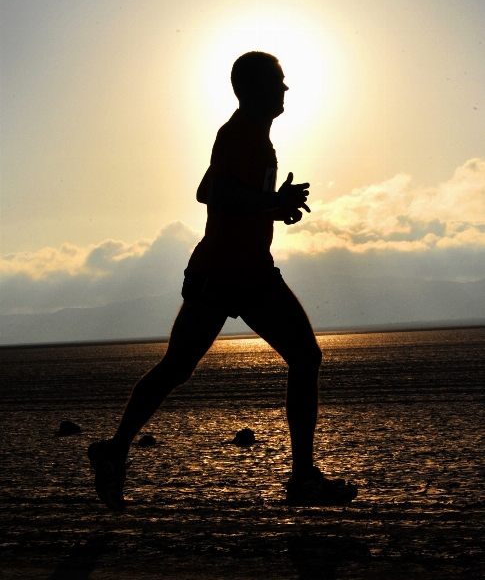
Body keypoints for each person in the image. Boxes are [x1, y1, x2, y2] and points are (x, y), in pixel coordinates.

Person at [88, 51, 358, 511]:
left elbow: (205, 191)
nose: (285, 89)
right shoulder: (238, 136)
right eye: (277, 81)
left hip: (253, 276)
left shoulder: (251, 138)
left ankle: (302, 479)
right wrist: (270, 199)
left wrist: (272, 207)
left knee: (305, 357)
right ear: (250, 89)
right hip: (218, 276)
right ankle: (112, 452)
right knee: (177, 369)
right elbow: (221, 196)